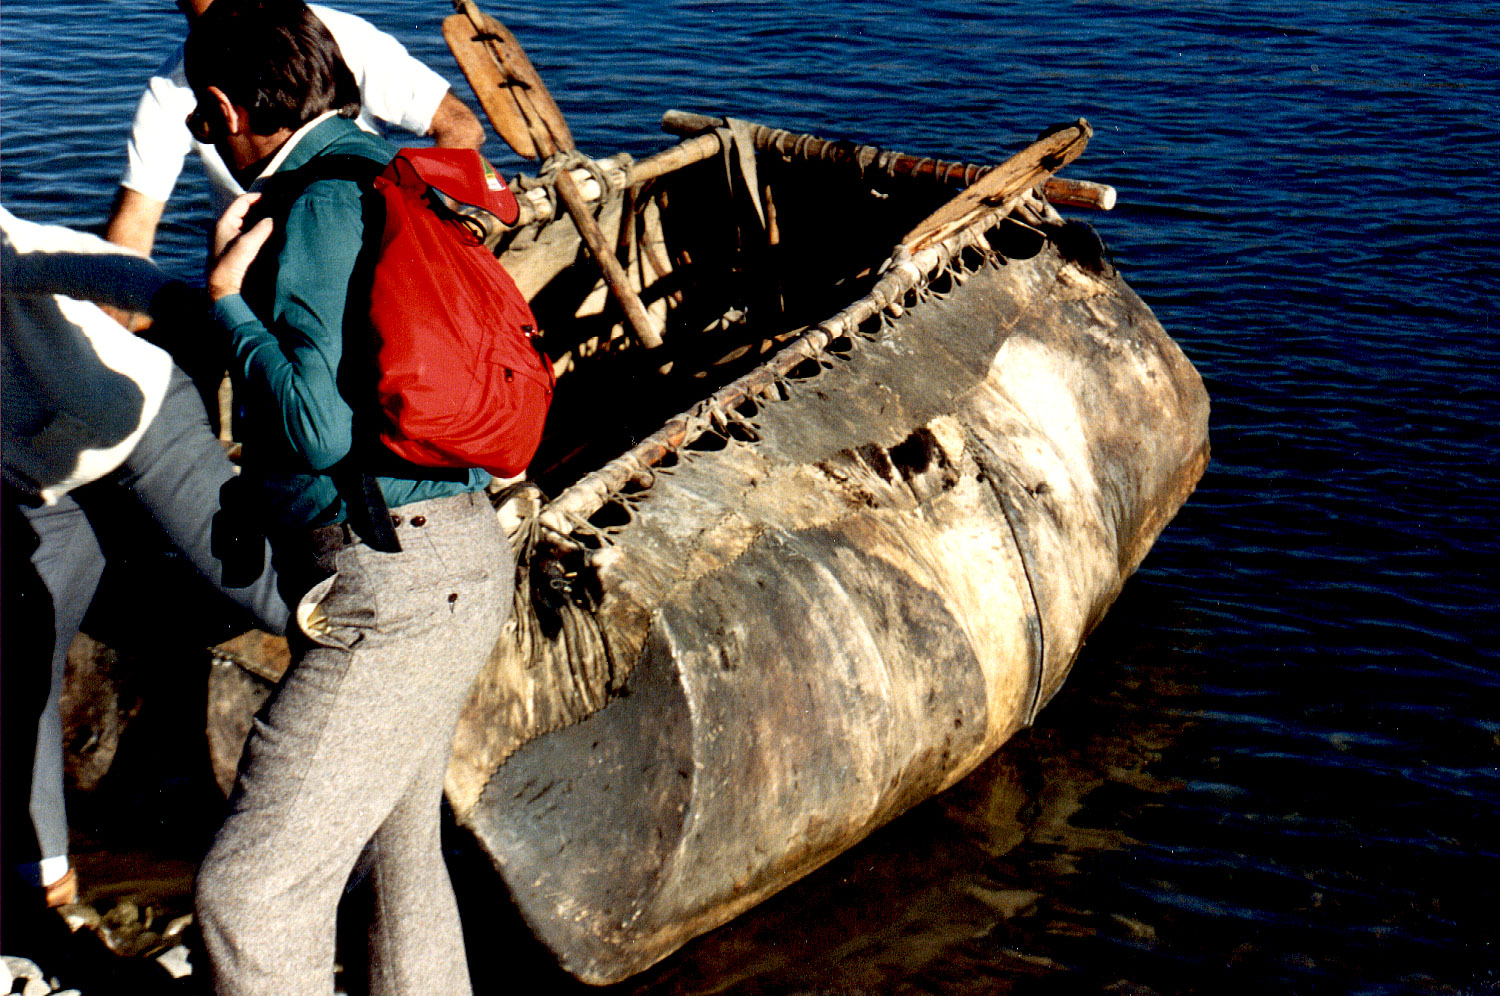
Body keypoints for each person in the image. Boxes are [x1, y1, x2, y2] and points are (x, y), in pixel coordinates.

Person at [185, 2, 512, 992]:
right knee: (397, 861)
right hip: (453, 556)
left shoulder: (314, 204)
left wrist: (228, 309)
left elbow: (320, 427)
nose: (215, 145)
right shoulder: (387, 171)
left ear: (228, 106)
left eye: (209, 128)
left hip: (394, 587)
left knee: (248, 895)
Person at [0, 204, 289, 916]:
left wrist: (191, 305)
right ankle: (50, 880)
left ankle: (389, 633)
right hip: (41, 487)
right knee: (22, 666)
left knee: (265, 593)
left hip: (141, 425)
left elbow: (87, 262)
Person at [104, 0, 483, 257]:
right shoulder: (170, 88)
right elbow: (134, 225)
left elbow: (460, 130)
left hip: (366, 242)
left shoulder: (341, 37)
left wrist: (414, 241)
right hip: (249, 269)